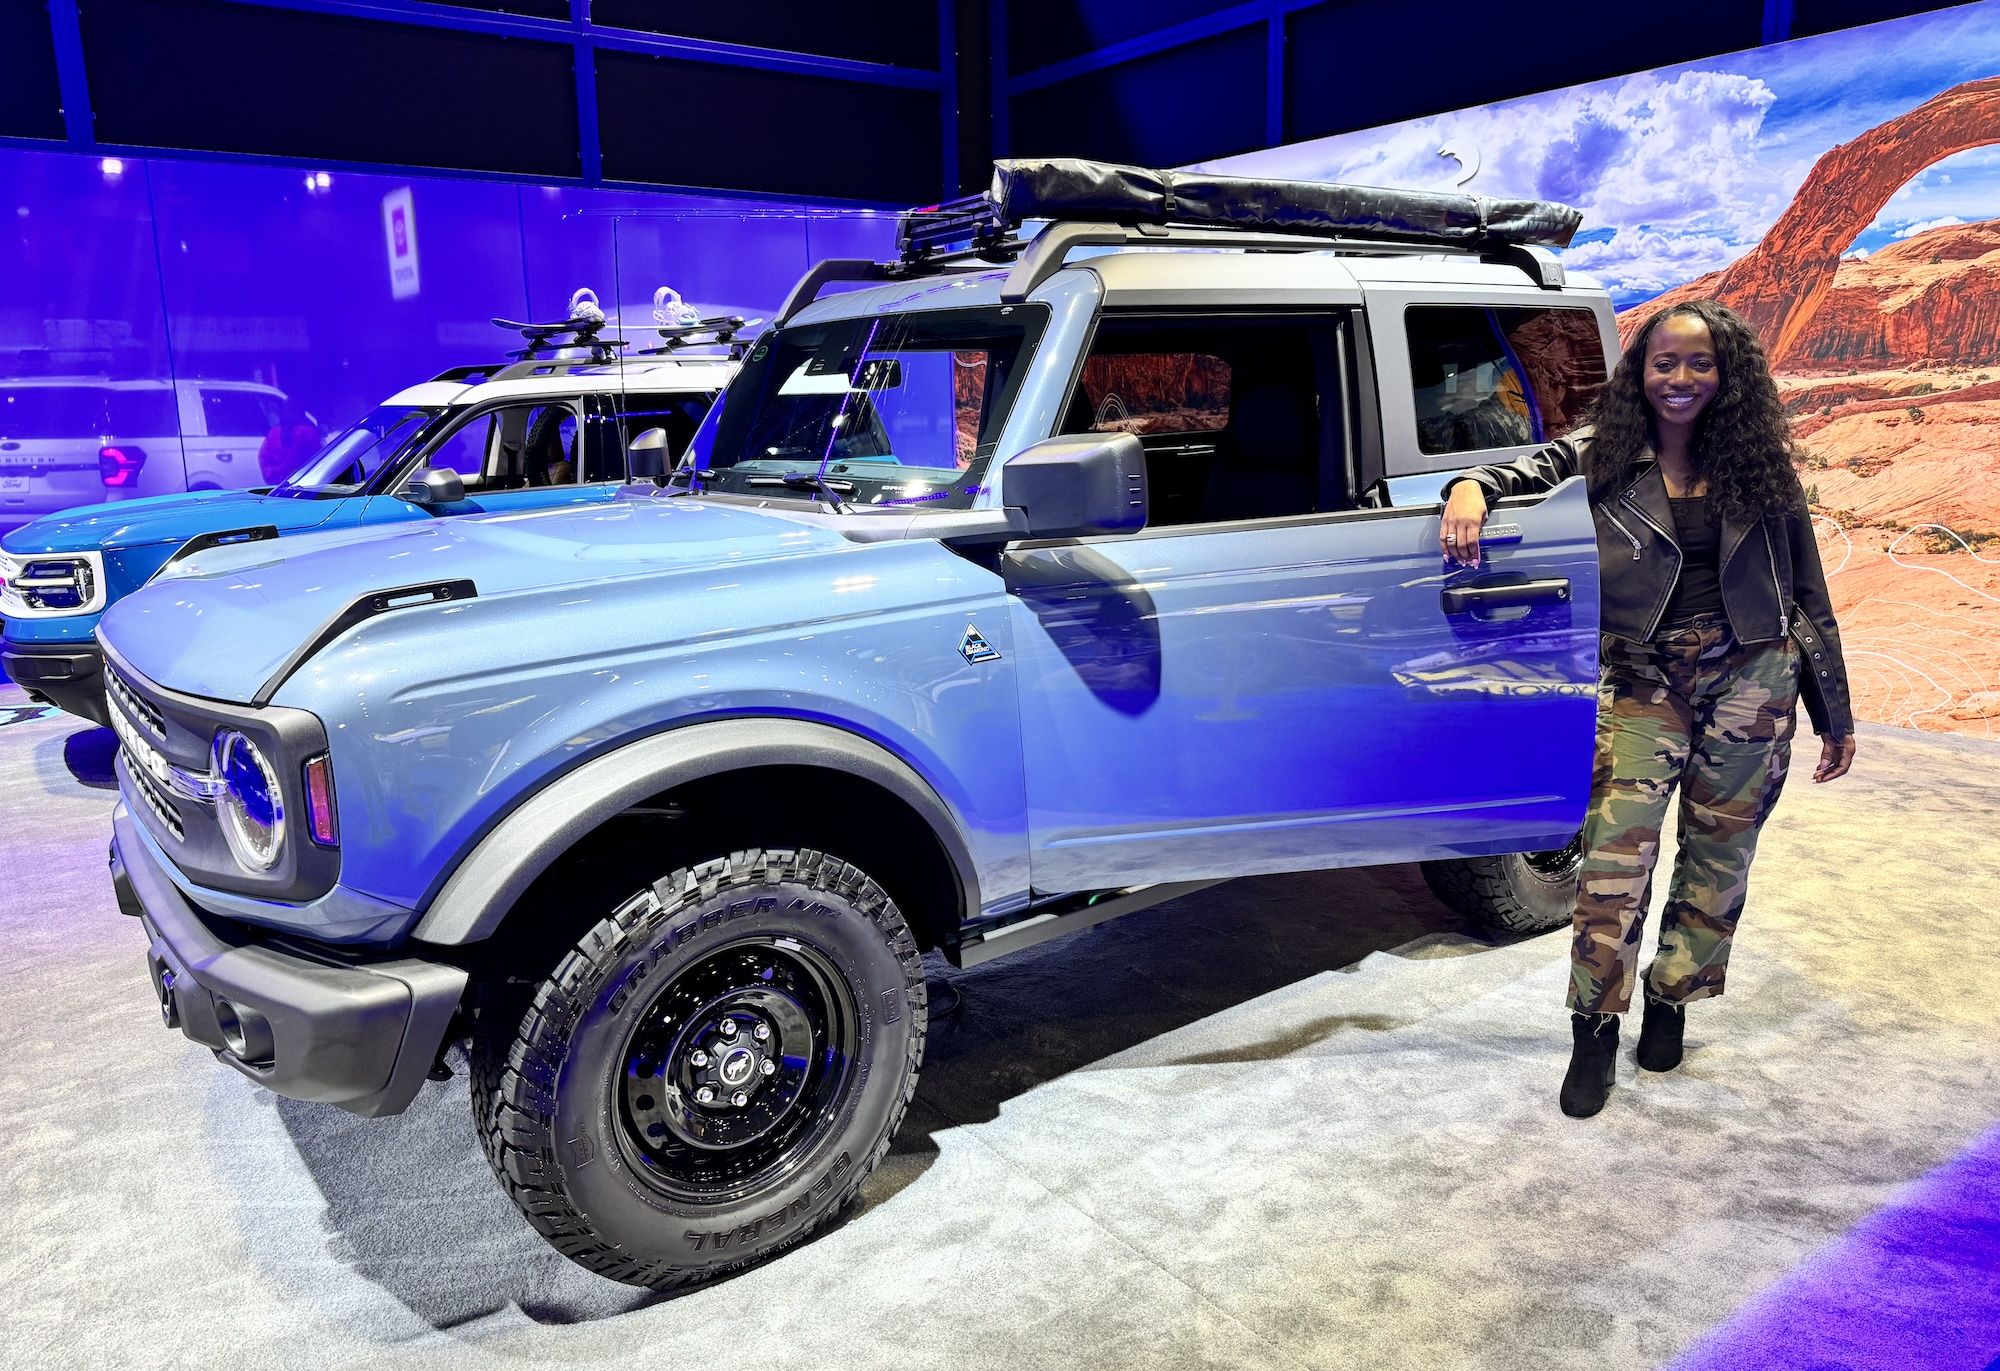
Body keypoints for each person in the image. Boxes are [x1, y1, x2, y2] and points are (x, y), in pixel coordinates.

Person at [1437, 299, 1856, 1119]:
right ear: (1642, 371)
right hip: (1641, 679)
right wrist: (1466, 488)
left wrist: (1832, 708)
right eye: (1666, 362)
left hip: (1753, 675)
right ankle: (1593, 1028)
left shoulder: (1760, 462)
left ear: (1726, 375)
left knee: (1719, 853)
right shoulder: (1606, 452)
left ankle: (1673, 996)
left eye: (1701, 364)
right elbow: (1517, 471)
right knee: (1614, 861)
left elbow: (1807, 589)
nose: (1682, 379)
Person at [257, 400, 320, 486]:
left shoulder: (273, 433)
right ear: (301, 413)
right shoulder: (309, 433)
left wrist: (274, 473)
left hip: (280, 484)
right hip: (304, 482)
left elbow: (264, 458)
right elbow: (318, 460)